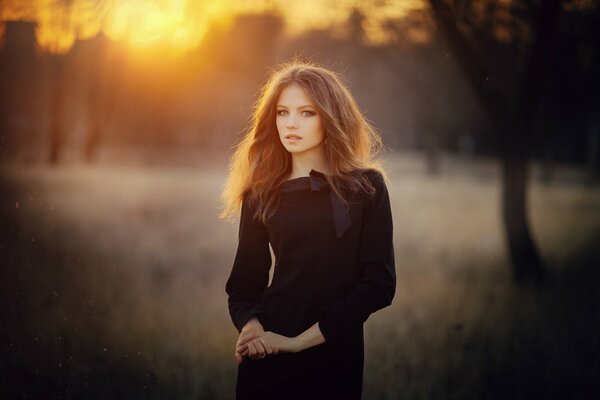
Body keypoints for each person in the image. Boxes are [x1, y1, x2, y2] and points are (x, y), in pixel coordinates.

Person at [220, 61, 396, 400]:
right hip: (268, 356)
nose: (291, 124)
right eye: (283, 112)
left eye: (306, 113)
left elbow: (379, 285)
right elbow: (244, 286)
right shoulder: (259, 193)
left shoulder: (367, 188)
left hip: (333, 357)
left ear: (330, 118)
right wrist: (253, 330)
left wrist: (298, 343)